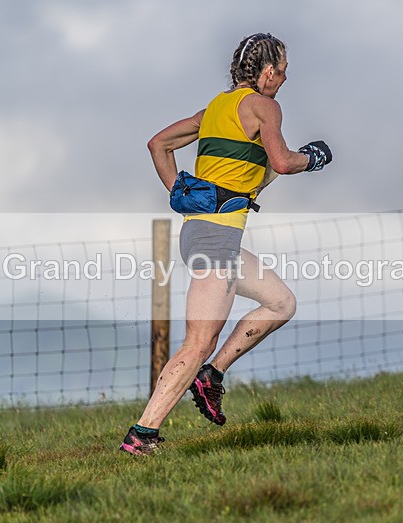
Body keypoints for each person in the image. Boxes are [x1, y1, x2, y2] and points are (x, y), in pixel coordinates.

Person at [120, 32, 332, 455]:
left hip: (206, 234)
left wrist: (180, 192)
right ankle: (142, 436)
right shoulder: (264, 106)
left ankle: (211, 376)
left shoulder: (215, 109)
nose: (285, 79)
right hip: (215, 239)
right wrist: (314, 158)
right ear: (267, 72)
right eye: (283, 71)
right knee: (198, 341)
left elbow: (158, 144)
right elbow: (282, 162)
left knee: (281, 303)